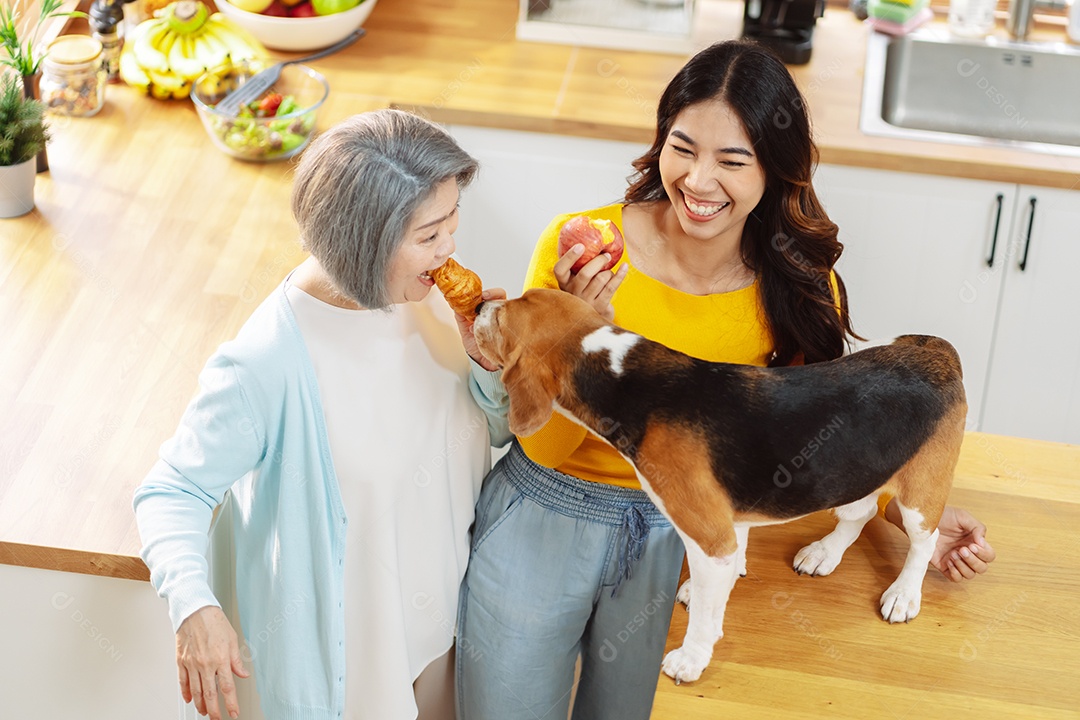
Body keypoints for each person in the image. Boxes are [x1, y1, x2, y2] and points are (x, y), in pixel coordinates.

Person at [456, 39, 995, 720]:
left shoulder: (797, 288)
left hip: (685, 534)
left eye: (732, 161)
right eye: (682, 148)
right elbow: (542, 441)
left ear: (775, 169)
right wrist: (577, 334)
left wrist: (912, 507)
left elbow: (807, 444)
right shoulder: (580, 249)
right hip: (546, 505)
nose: (699, 181)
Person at [133, 109, 509, 720]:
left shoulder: (428, 298)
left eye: (452, 222)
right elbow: (172, 489)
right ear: (364, 241)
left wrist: (487, 364)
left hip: (441, 633)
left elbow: (490, 430)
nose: (449, 250)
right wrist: (194, 608)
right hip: (356, 673)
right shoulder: (266, 363)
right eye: (429, 235)